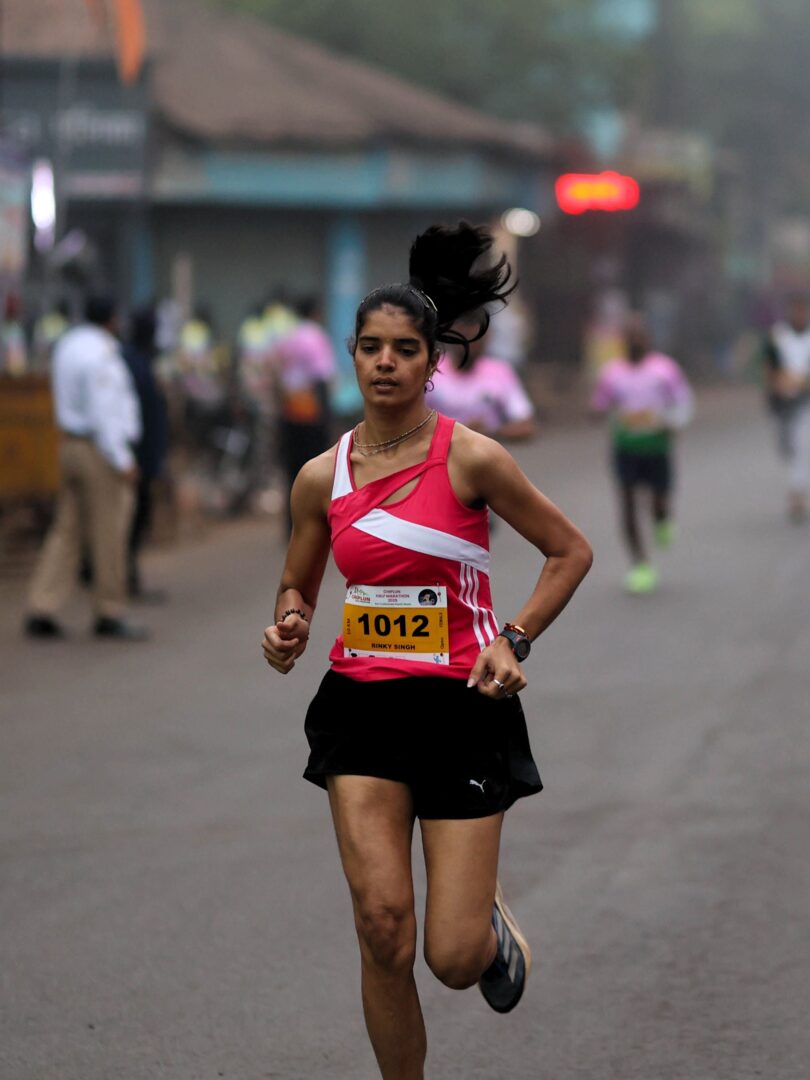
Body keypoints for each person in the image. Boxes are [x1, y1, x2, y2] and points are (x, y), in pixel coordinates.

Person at [261, 222, 592, 1079]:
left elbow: (570, 551)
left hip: (461, 707)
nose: (385, 363)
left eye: (404, 349)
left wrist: (513, 639)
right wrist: (290, 623)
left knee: (448, 957)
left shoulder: (472, 459)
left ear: (430, 361)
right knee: (381, 929)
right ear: (351, 354)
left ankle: (485, 927)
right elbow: (297, 583)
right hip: (361, 708)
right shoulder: (317, 478)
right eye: (370, 347)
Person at [24, 295, 148, 641]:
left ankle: (41, 605)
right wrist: (122, 459)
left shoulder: (69, 345)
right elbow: (104, 412)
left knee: (68, 529)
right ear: (111, 318)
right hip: (98, 449)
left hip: (70, 444)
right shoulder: (102, 354)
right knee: (109, 530)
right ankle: (109, 611)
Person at [590, 314, 693, 595]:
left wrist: (672, 423)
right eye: (630, 337)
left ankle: (662, 518)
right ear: (623, 342)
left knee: (658, 502)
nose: (635, 342)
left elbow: (683, 400)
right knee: (627, 503)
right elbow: (598, 405)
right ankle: (640, 565)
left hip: (657, 446)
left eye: (640, 336)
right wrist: (601, 411)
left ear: (648, 339)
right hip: (625, 448)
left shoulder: (665, 369)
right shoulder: (612, 373)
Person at [271, 296, 336, 533]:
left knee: (292, 470)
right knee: (315, 471)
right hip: (310, 414)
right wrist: (326, 417)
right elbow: (322, 378)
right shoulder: (316, 337)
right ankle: (313, 526)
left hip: (289, 412)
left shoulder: (287, 338)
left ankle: (290, 525)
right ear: (315, 312)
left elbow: (276, 375)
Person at [122, 306, 170, 599]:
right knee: (132, 518)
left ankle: (127, 574)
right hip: (134, 457)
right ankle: (126, 578)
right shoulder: (132, 363)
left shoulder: (141, 361)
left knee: (138, 517)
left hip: (144, 456)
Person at [429, 313, 536, 440]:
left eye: (477, 338)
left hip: (484, 453)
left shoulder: (499, 371)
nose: (470, 344)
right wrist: (460, 431)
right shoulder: (432, 369)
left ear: (487, 338)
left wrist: (487, 433)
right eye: (465, 337)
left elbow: (526, 425)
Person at [762, 295, 810, 522]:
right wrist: (777, 383)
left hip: (805, 402)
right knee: (787, 448)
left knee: (802, 446)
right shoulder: (777, 336)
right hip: (782, 404)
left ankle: (797, 494)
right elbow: (768, 367)